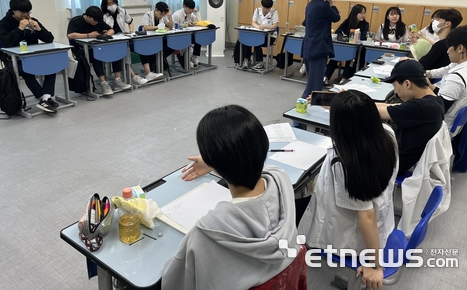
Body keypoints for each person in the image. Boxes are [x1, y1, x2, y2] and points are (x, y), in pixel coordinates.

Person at [162, 105, 298, 290]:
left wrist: (215, 161)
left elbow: (172, 283)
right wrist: (213, 161)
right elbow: (259, 166)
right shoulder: (282, 180)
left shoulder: (204, 235)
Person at [298, 90, 398, 290]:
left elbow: (367, 216)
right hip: (380, 219)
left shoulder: (346, 162)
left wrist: (375, 265)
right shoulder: (387, 134)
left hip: (354, 236)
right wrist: (342, 105)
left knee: (297, 203)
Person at [376, 60, 445, 175]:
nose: (395, 92)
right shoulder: (435, 101)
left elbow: (375, 111)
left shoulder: (421, 107)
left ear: (407, 84)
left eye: (395, 86)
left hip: (392, 164)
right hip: (401, 155)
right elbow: (391, 106)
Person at [0, 0, 58, 113]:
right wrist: (19, 29)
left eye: (28, 11)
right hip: (13, 60)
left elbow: (49, 39)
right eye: (22, 12)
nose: (26, 14)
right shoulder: (4, 23)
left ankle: (45, 98)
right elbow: (5, 43)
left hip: (33, 56)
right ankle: (44, 99)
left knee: (52, 66)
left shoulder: (33, 20)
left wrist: (39, 29)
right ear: (13, 10)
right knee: (27, 71)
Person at [425, 25, 467, 136]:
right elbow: (449, 96)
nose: (447, 51)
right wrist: (429, 83)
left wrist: (425, 89)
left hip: (439, 129)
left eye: (449, 47)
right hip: (454, 127)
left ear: (460, 48)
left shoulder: (457, 78)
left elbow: (437, 110)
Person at [67, 6, 131, 96]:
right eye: (95, 21)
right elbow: (70, 35)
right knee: (96, 55)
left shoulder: (98, 21)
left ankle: (118, 80)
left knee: (116, 51)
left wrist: (107, 35)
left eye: (98, 21)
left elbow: (111, 29)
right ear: (88, 16)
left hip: (99, 47)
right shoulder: (75, 21)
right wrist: (89, 35)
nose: (96, 23)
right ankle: (103, 83)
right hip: (81, 50)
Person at [301, 0, 340, 98]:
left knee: (312, 82)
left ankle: (305, 104)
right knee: (315, 86)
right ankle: (305, 108)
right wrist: (331, 2)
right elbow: (336, 17)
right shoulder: (323, 5)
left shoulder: (311, 4)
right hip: (318, 47)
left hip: (309, 45)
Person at [101, 0, 150, 85]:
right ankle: (133, 76)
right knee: (122, 50)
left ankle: (148, 72)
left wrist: (131, 30)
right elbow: (101, 30)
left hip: (123, 37)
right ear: (105, 5)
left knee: (141, 45)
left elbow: (130, 21)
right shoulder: (102, 15)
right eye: (109, 4)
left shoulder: (122, 11)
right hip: (110, 41)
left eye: (113, 2)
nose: (112, 5)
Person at [323, 4, 369, 84]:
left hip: (356, 49)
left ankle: (344, 79)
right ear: (355, 13)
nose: (363, 15)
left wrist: (353, 36)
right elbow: (338, 31)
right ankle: (325, 77)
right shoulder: (348, 21)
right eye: (361, 13)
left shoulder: (365, 24)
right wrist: (343, 36)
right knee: (335, 58)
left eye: (364, 13)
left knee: (350, 59)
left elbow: (363, 37)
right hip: (345, 47)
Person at [142, 2, 184, 68]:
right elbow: (146, 27)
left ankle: (160, 61)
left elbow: (170, 26)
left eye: (163, 14)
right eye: (161, 14)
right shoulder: (147, 15)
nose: (161, 16)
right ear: (156, 10)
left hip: (160, 39)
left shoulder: (163, 16)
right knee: (161, 47)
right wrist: (159, 27)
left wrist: (170, 16)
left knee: (172, 46)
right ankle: (157, 64)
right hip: (149, 40)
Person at [240, 0, 279, 70]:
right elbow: (253, 22)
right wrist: (258, 27)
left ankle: (260, 63)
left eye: (267, 9)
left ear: (270, 8)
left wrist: (266, 27)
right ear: (261, 6)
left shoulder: (274, 12)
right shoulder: (257, 10)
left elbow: (275, 25)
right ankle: (246, 60)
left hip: (270, 36)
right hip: (258, 34)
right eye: (264, 8)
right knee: (247, 41)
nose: (265, 10)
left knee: (257, 43)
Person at [172, 0, 202, 69]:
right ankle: (185, 60)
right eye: (190, 9)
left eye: (192, 9)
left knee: (198, 39)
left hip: (188, 35)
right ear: (184, 6)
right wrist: (186, 24)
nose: (191, 11)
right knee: (186, 66)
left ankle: (194, 57)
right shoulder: (177, 15)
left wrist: (197, 12)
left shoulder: (190, 14)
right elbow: (174, 28)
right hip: (178, 36)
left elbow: (198, 21)